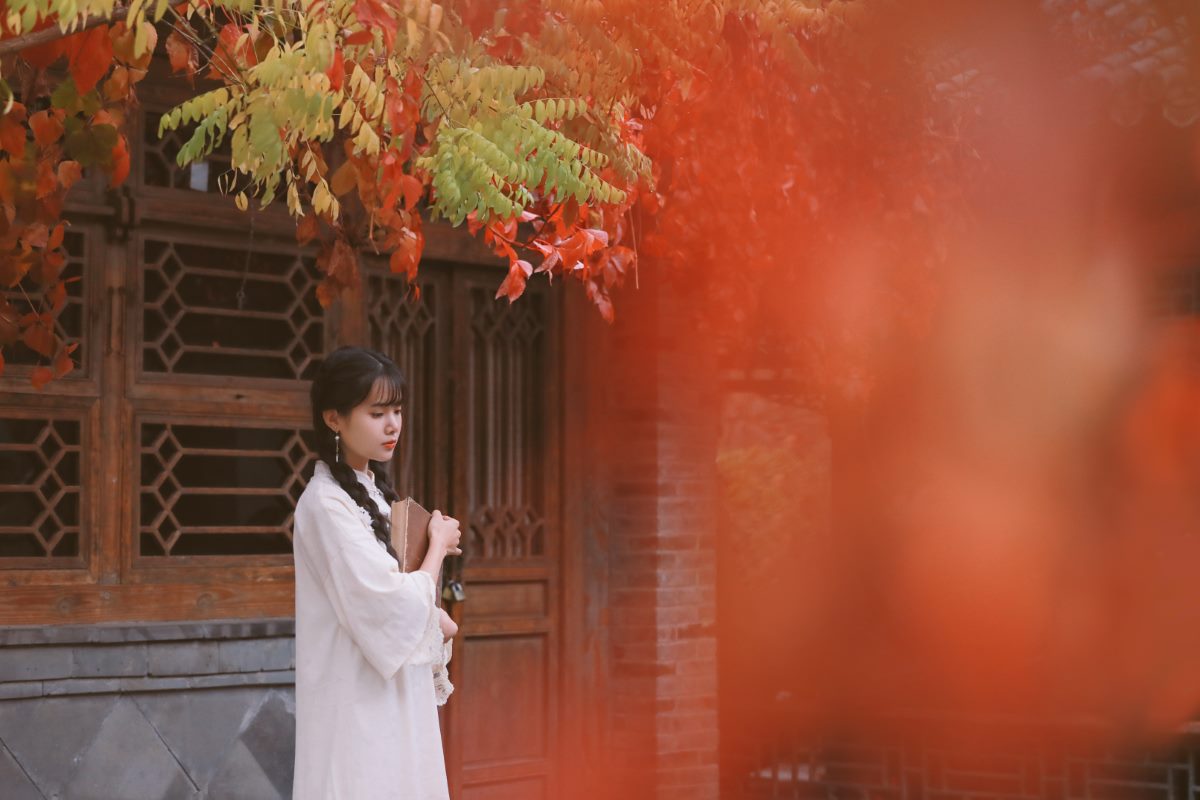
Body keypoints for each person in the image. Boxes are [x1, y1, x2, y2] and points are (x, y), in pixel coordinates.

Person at [292, 346, 462, 799]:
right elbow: (388, 603)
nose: (392, 425)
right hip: (358, 705)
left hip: (393, 697)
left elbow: (397, 602)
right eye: (377, 412)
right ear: (334, 418)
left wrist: (432, 610)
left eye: (397, 411)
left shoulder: (375, 498)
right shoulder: (326, 504)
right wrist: (438, 547)